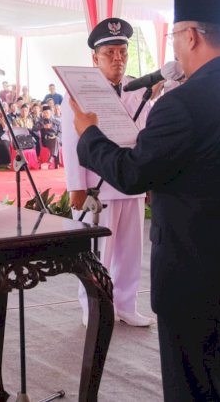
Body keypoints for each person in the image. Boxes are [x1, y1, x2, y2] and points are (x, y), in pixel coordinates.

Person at [69, 0, 220, 401]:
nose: (174, 48)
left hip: (198, 286)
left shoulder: (182, 105)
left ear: (191, 37)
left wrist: (89, 135)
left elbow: (132, 174)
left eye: (174, 38)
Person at [61, 17, 156, 327]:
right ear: (94, 58)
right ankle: (94, 307)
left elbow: (147, 136)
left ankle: (126, 305)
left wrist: (149, 180)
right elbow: (72, 141)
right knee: (96, 252)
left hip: (130, 182)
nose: (118, 59)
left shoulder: (137, 89)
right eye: (110, 53)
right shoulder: (78, 91)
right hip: (96, 186)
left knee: (130, 250)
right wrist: (75, 185)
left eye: (122, 52)